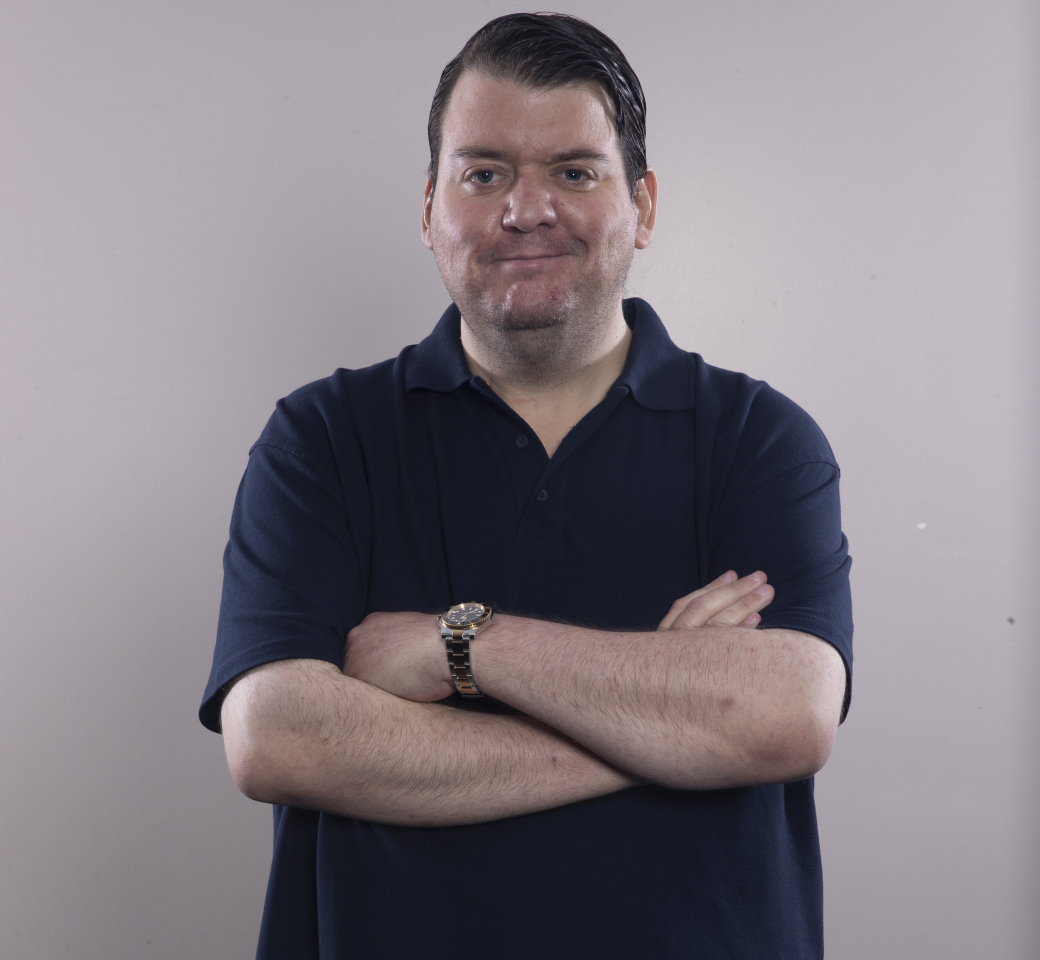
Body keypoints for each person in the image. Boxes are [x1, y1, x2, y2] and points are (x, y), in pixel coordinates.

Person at [200, 12, 852, 960]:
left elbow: (784, 718)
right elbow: (280, 741)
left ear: (644, 205)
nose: (527, 209)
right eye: (485, 173)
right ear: (431, 207)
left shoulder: (760, 441)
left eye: (575, 172)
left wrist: (458, 645)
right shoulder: (323, 439)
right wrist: (666, 727)